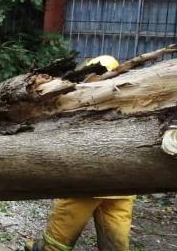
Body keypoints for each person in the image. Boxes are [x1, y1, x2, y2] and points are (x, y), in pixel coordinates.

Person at [27, 55, 135, 251]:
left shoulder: (89, 100)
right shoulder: (131, 98)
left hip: (89, 179)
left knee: (59, 236)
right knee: (116, 238)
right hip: (124, 181)